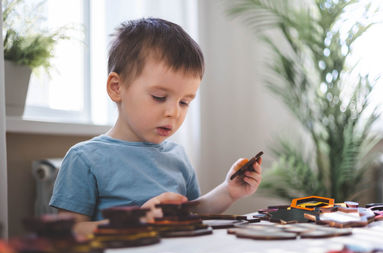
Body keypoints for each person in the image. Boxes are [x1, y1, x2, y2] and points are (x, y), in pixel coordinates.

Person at [49, 18, 262, 236]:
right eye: (159, 97)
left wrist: (228, 191)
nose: (174, 112)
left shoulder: (177, 156)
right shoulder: (85, 158)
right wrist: (136, 221)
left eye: (184, 102)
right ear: (117, 88)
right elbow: (67, 232)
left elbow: (192, 213)